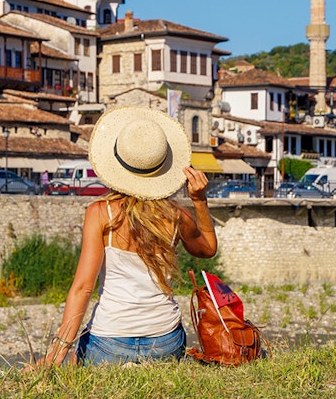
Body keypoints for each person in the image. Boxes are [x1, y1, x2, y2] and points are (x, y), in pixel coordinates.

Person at [36, 107, 217, 367]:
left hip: (110, 342)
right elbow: (208, 249)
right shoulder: (177, 215)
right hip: (164, 342)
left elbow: (83, 287)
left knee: (78, 360)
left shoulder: (100, 213)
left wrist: (56, 355)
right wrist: (199, 201)